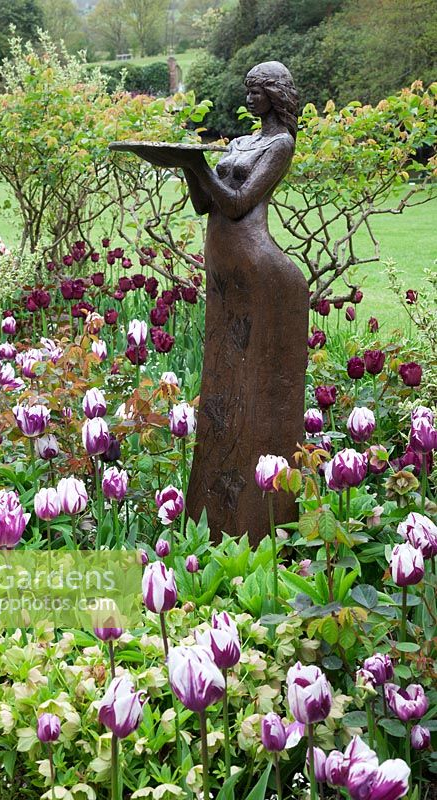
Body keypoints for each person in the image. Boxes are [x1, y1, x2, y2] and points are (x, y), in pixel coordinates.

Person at [183, 61, 309, 543]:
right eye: (248, 89)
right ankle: (212, 509)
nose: (251, 96)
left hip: (258, 267)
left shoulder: (279, 146)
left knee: (251, 381)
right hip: (222, 261)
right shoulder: (238, 143)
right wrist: (189, 170)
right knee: (223, 373)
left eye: (259, 90)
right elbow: (205, 205)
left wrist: (196, 164)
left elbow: (237, 204)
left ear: (278, 95)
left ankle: (254, 519)